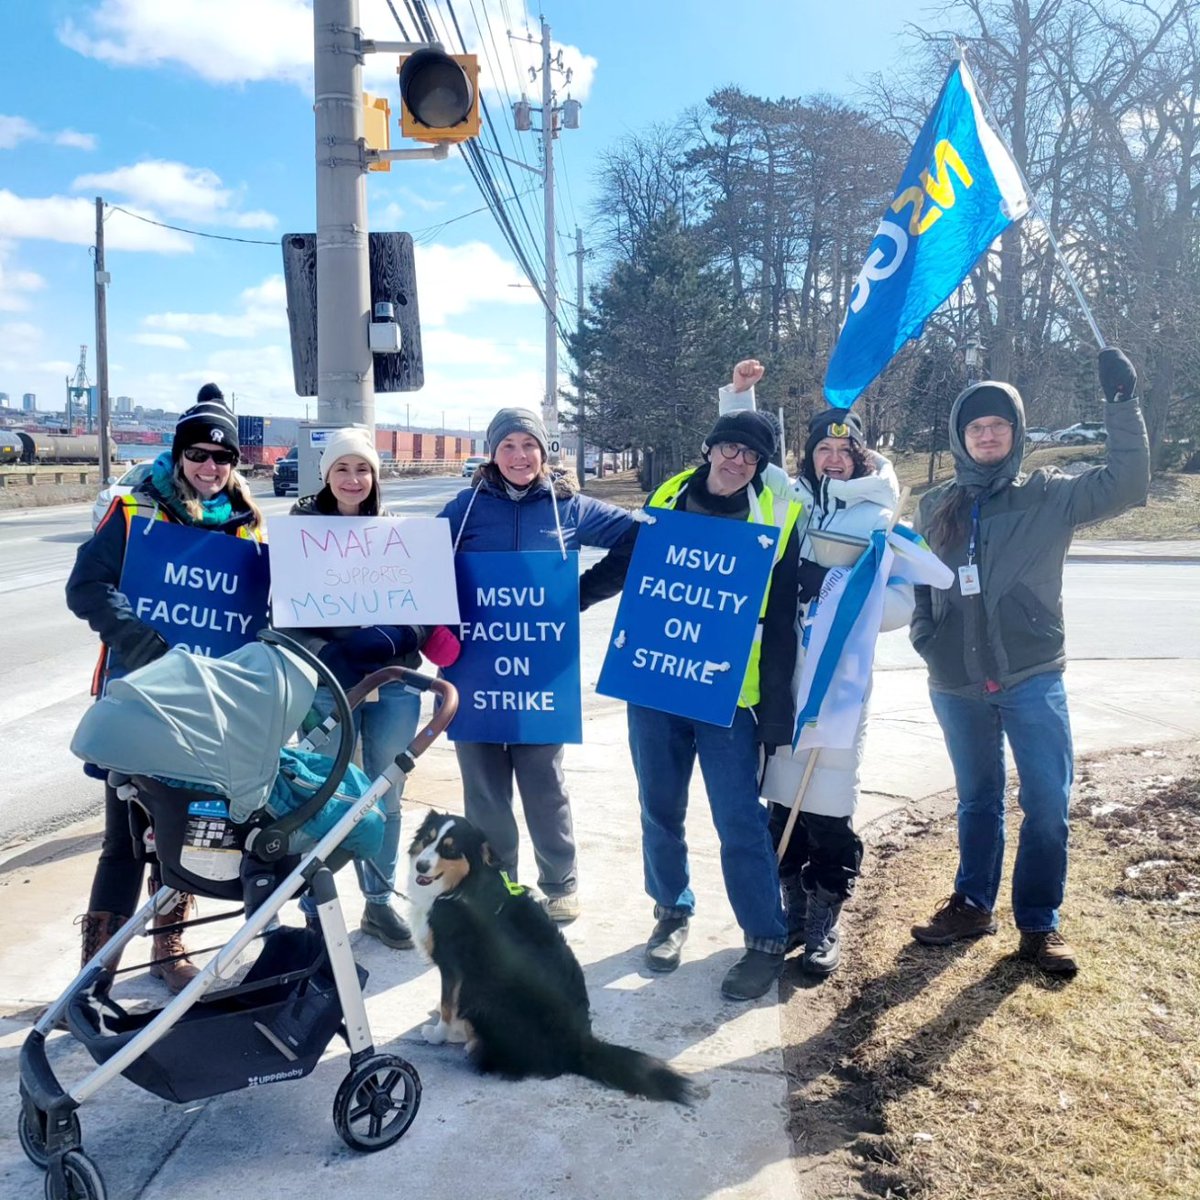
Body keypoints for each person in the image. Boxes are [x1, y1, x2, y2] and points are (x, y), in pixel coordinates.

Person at [908, 348, 1149, 976]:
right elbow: (922, 582)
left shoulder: (1050, 495)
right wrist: (925, 635)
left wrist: (1122, 405)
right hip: (956, 682)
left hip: (1032, 677)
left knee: (1046, 803)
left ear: (1015, 433)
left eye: (999, 427)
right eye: (976, 428)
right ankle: (971, 905)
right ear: (962, 438)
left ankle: (1039, 926)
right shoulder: (934, 504)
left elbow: (1128, 483)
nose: (987, 436)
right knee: (977, 801)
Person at [66, 383, 265, 993]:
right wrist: (141, 640)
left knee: (190, 834)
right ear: (179, 456)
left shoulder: (247, 526)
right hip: (139, 701)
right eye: (198, 455)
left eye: (222, 457)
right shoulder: (133, 511)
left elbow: (256, 611)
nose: (210, 467)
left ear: (235, 463)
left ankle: (166, 948)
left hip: (208, 710)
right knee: (124, 840)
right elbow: (86, 587)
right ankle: (95, 972)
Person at [724, 360, 913, 978]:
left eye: (844, 448)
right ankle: (793, 911)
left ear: (861, 456)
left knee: (828, 801)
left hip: (839, 682)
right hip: (783, 675)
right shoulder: (791, 500)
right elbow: (746, 457)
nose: (832, 458)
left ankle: (826, 916)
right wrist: (741, 395)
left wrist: (837, 592)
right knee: (782, 796)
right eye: (822, 448)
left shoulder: (880, 517)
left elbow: (903, 604)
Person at [619, 409, 804, 1001]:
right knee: (659, 807)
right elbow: (629, 568)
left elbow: (780, 626)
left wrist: (776, 711)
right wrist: (562, 602)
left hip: (730, 698)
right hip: (655, 684)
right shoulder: (668, 495)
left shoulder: (777, 519)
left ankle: (764, 938)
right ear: (709, 448)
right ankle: (671, 911)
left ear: (760, 466)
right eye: (728, 448)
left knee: (739, 820)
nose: (736, 461)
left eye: (750, 456)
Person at [437, 407, 638, 923]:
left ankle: (560, 881)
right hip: (474, 670)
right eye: (508, 446)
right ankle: (496, 884)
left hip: (540, 669)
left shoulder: (567, 508)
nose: (520, 456)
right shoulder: (464, 510)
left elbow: (637, 539)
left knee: (543, 784)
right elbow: (420, 569)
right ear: (492, 453)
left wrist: (579, 595)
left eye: (530, 445)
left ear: (545, 451)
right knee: (483, 792)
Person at [287, 426, 461, 950]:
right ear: (326, 475)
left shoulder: (400, 536)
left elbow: (424, 610)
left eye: (362, 468)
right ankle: (315, 902)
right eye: (342, 468)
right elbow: (284, 610)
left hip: (396, 682)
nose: (353, 478)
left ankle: (379, 902)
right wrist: (328, 653)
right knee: (319, 789)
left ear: (375, 476)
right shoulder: (302, 534)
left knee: (386, 790)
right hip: (326, 686)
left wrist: (400, 635)